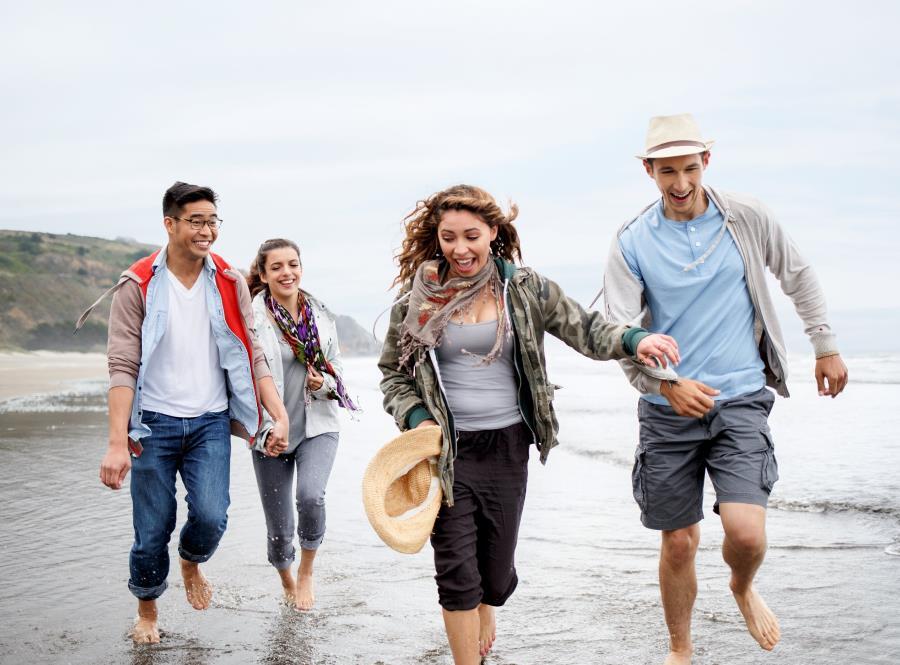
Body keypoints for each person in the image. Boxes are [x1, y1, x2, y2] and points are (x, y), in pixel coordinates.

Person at [379, 184, 680, 665]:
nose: (460, 249)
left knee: (495, 576)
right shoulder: (420, 297)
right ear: (437, 239)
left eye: (471, 236)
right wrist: (418, 420)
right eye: (449, 237)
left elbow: (586, 328)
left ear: (492, 233)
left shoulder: (525, 289)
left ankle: (488, 604)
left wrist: (635, 339)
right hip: (445, 450)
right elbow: (393, 371)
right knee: (456, 570)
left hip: (507, 446)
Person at [604, 114, 849, 664]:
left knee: (747, 535)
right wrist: (666, 387)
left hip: (740, 398)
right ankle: (681, 650)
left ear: (706, 163)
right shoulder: (632, 241)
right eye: (668, 171)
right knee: (679, 541)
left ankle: (741, 585)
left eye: (690, 168)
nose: (681, 183)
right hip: (666, 410)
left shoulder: (746, 216)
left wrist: (825, 344)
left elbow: (798, 274)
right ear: (649, 171)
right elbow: (617, 332)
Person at [90, 182, 289, 643]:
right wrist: (117, 443)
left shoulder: (229, 281)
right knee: (150, 529)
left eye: (213, 221)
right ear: (170, 224)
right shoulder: (137, 283)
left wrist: (276, 415)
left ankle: (191, 561)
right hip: (152, 424)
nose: (207, 231)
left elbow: (250, 352)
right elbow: (122, 366)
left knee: (212, 515)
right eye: (196, 221)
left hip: (211, 422)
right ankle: (147, 611)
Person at [246, 238, 357, 610]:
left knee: (311, 497)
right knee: (279, 531)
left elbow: (337, 370)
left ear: (301, 268)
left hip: (319, 425)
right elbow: (242, 377)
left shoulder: (322, 315)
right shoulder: (251, 318)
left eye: (292, 264)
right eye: (276, 267)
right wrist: (259, 429)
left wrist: (323, 383)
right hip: (270, 432)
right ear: (263, 274)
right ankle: (287, 579)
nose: (286, 272)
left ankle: (306, 572)